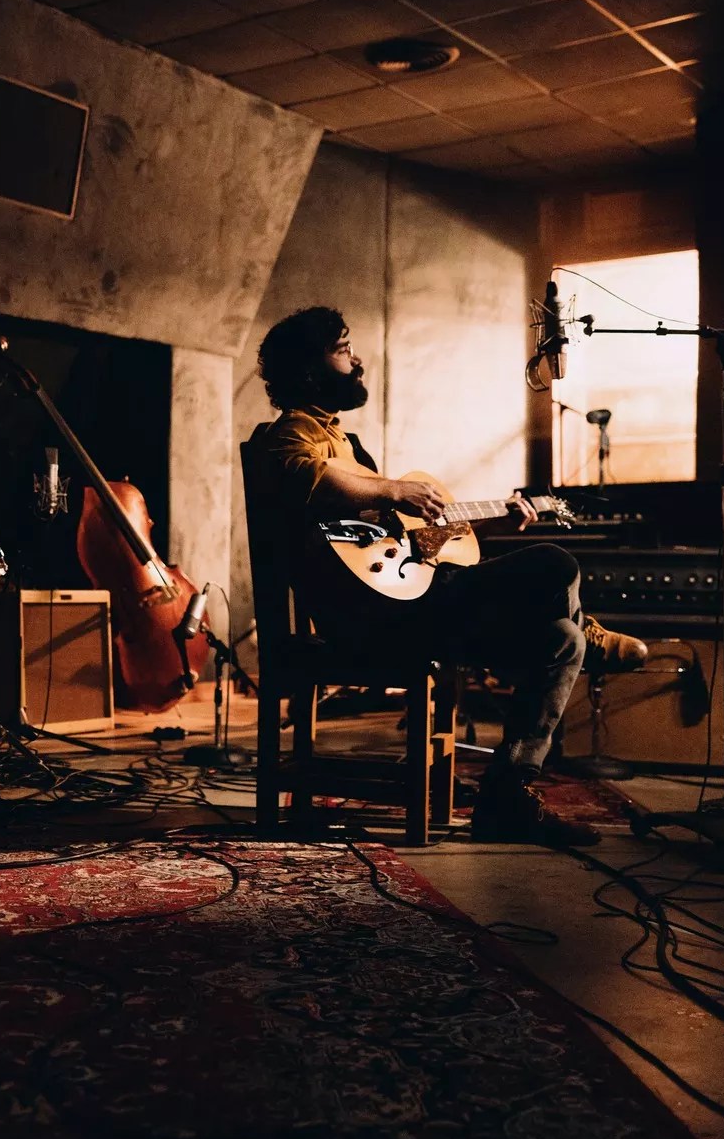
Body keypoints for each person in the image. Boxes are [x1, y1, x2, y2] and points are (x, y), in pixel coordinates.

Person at [244, 306, 648, 846]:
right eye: (343, 349)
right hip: (374, 624)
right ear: (309, 369)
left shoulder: (350, 448)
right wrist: (394, 489)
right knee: (553, 563)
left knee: (560, 640)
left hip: (408, 605)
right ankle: (588, 627)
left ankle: (506, 796)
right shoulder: (290, 435)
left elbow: (401, 553)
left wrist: (495, 518)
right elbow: (300, 475)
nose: (357, 360)